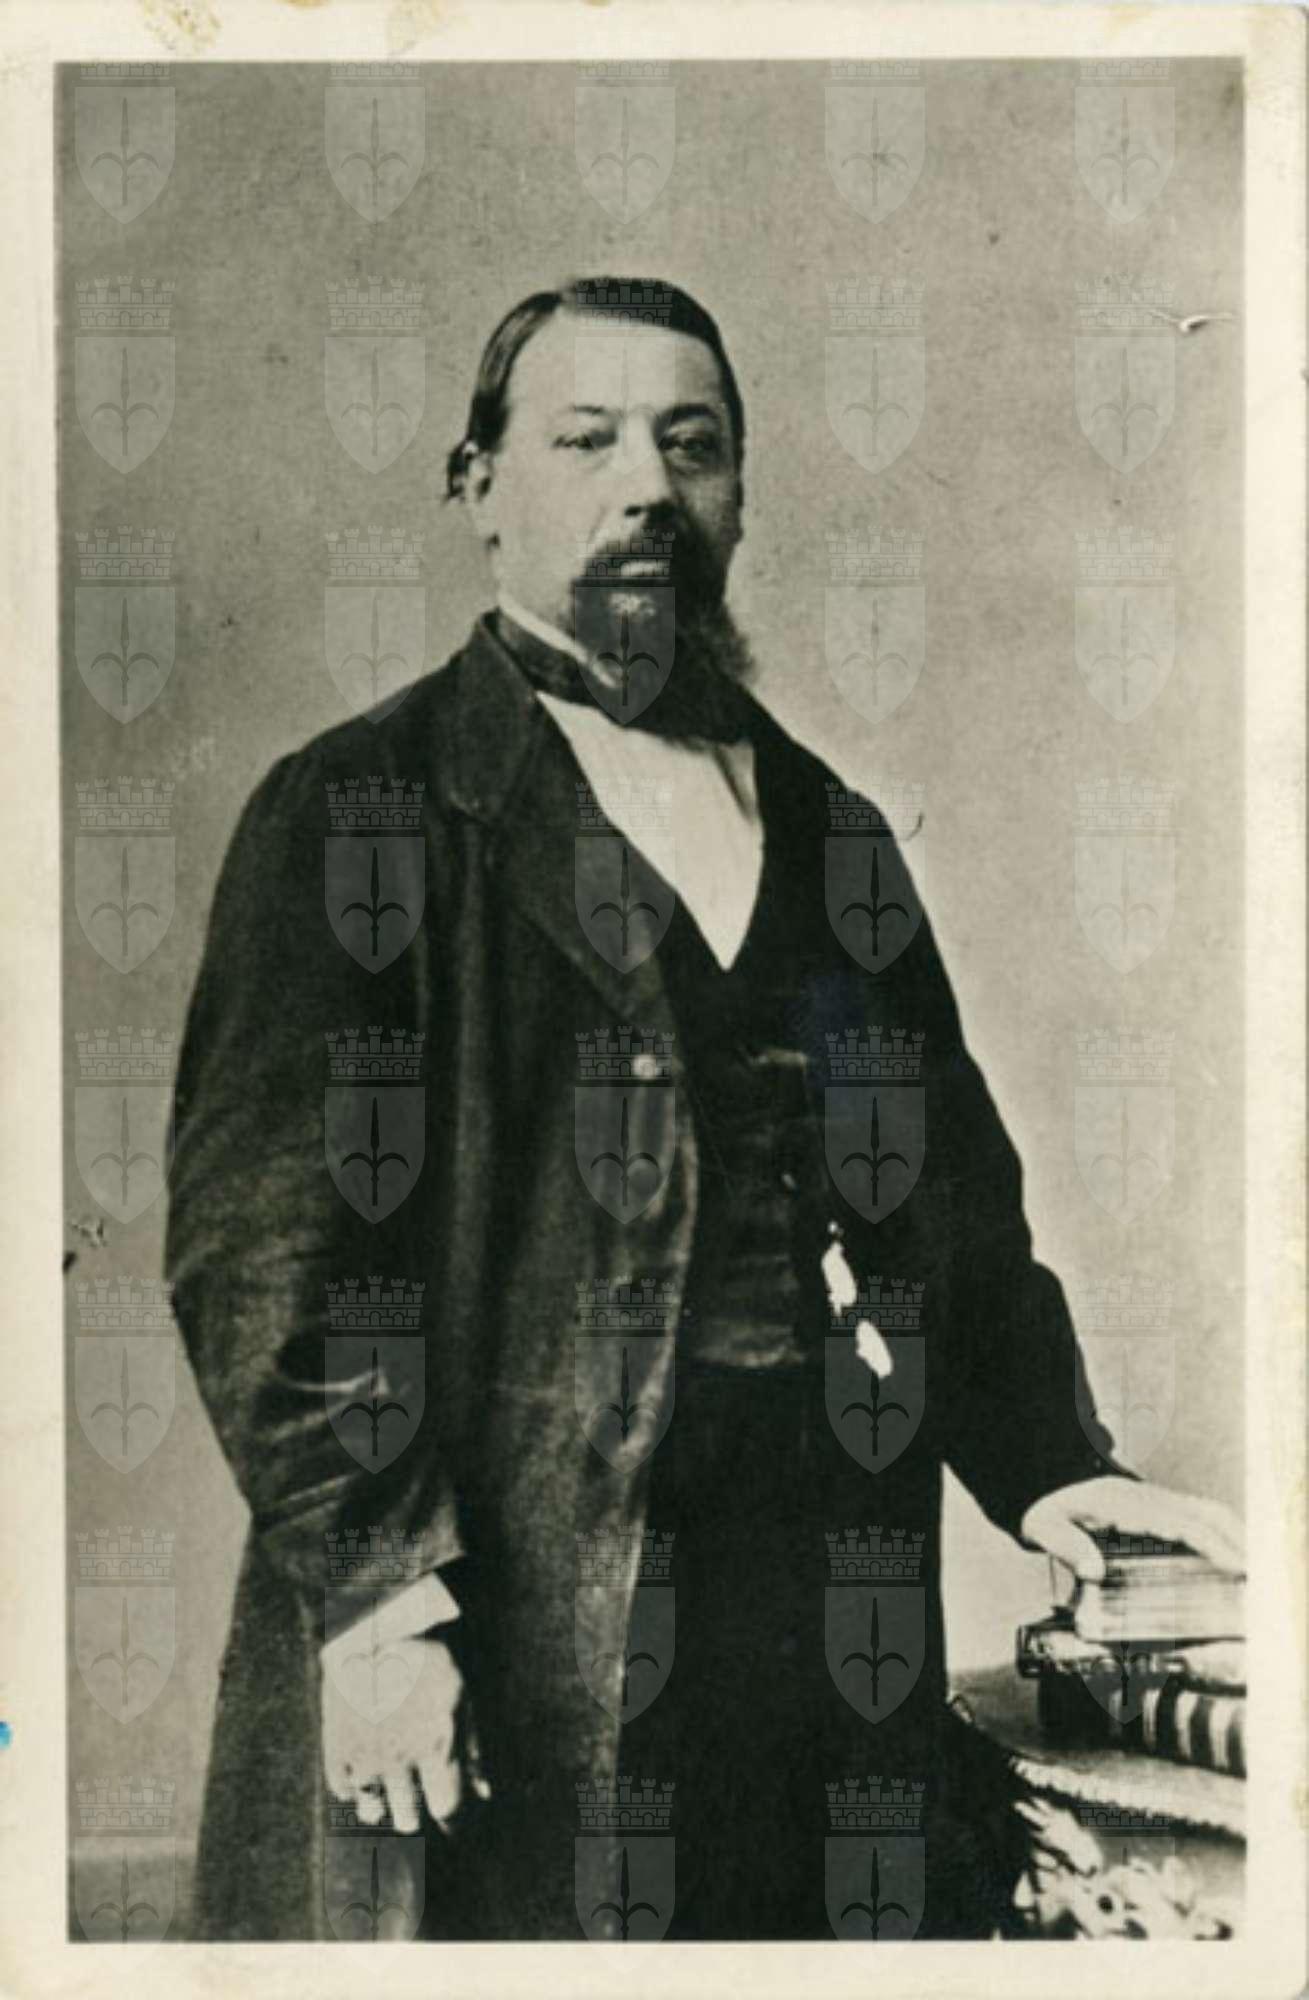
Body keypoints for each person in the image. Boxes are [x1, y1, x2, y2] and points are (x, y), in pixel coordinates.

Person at [166, 275, 1244, 1942]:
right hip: (510, 1613)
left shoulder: (831, 830)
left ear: (737, 495)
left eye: (692, 447)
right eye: (585, 441)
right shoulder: (360, 807)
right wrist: (379, 1604)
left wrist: (1044, 1468)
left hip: (814, 1608)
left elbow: (947, 1202)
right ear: (477, 488)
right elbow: (265, 1261)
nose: (647, 489)